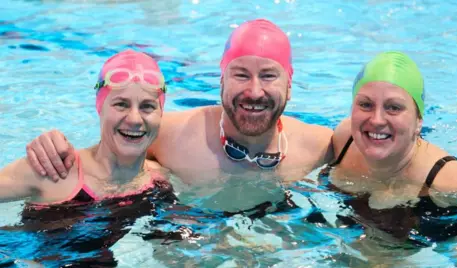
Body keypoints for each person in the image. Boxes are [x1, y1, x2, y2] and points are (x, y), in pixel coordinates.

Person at [24, 19, 333, 213]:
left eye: (268, 76)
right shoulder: (172, 135)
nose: (254, 91)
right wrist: (51, 150)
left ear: (289, 86)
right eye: (241, 74)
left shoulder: (322, 146)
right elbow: (103, 158)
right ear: (221, 79)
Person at [320, 51, 457, 266]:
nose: (376, 120)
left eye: (394, 107)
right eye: (365, 104)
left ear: (419, 121)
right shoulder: (344, 139)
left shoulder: (448, 179)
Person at [0, 48, 171, 206]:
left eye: (147, 106)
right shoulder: (54, 171)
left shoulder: (160, 178)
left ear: (161, 113)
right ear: (100, 108)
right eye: (121, 104)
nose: (134, 119)